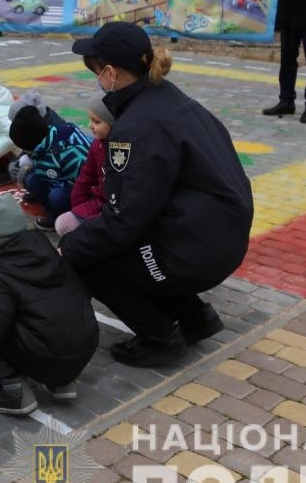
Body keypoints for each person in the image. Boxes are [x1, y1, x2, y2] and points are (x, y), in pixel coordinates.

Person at [61, 22, 253, 367]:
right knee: (128, 239)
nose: (95, 79)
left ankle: (159, 338)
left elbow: (123, 221)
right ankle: (196, 318)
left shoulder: (134, 130)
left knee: (88, 254)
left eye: (94, 70)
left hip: (198, 248)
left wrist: (69, 247)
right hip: (221, 234)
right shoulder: (166, 96)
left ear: (110, 73)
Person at [0, 196, 99, 414]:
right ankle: (63, 382)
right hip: (85, 345)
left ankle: (13, 390)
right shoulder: (49, 252)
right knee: (49, 315)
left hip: (46, 355)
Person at [8, 104, 92, 231]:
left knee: (54, 194)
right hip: (73, 177)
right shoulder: (55, 132)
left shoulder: (55, 156)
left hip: (84, 189)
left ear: (30, 146)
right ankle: (53, 208)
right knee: (33, 178)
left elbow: (66, 182)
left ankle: (59, 217)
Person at [54, 91, 116, 237]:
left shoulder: (122, 151)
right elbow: (84, 179)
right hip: (98, 203)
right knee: (64, 223)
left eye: (96, 122)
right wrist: (79, 209)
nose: (90, 125)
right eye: (90, 120)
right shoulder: (97, 145)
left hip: (112, 210)